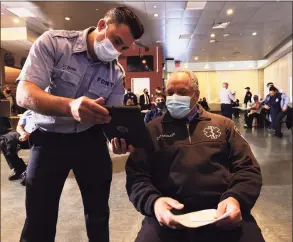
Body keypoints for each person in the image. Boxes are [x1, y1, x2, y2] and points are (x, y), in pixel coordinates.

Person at [16, 6, 144, 242]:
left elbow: (111, 118)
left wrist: (118, 139)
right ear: (102, 25)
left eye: (123, 47)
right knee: (38, 219)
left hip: (89, 139)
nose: (117, 50)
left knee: (98, 215)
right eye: (116, 41)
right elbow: (24, 94)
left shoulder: (116, 72)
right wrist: (70, 106)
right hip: (48, 138)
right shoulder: (54, 43)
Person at [126, 70, 264, 242]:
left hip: (221, 211)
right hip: (169, 213)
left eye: (182, 92)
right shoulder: (151, 131)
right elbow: (137, 177)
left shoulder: (223, 125)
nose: (175, 97)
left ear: (196, 95)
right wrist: (154, 203)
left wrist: (236, 198)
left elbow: (248, 169)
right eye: (170, 93)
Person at [0, 110, 36, 185]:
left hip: (39, 136)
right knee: (4, 140)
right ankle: (19, 168)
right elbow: (19, 126)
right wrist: (23, 133)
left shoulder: (45, 112)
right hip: (25, 134)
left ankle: (29, 172)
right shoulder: (28, 113)